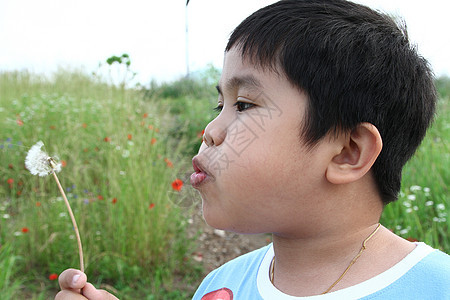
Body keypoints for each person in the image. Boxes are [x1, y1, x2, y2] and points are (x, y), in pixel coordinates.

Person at [56, 0, 450, 299]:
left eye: (244, 105)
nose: (210, 131)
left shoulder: (436, 287)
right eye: (219, 106)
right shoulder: (221, 285)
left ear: (347, 152)